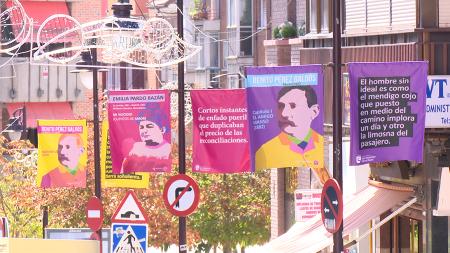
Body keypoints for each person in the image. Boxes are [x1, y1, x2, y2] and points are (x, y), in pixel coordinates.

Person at [255, 86, 324, 170]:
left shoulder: (323, 146)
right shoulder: (266, 151)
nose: (284, 114)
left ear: (314, 112)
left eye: (293, 106)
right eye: (281, 106)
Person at [121, 108, 171, 172]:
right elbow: (124, 170)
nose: (144, 131)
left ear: (162, 130)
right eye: (141, 127)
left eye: (149, 126)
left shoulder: (168, 149)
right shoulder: (136, 147)